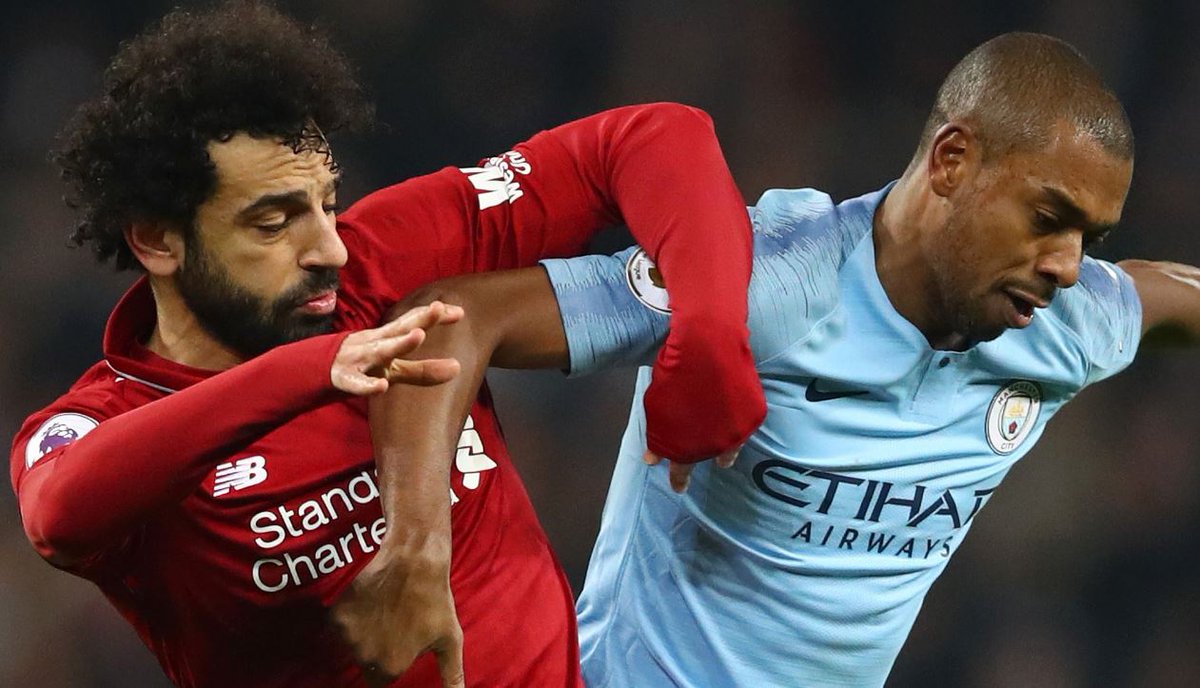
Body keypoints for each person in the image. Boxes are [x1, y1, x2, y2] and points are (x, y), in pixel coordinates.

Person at [367, 32, 1200, 687]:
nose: (1067, 265)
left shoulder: (1065, 321)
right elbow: (449, 320)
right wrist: (414, 551)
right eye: (1048, 218)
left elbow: (1166, 294)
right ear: (952, 161)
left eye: (1089, 237)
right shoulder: (767, 283)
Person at [7, 3, 766, 687]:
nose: (328, 249)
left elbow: (652, 136)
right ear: (157, 241)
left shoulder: (382, 262)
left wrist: (707, 338)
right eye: (273, 224)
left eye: (327, 204)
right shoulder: (107, 418)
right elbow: (57, 512)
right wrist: (312, 369)